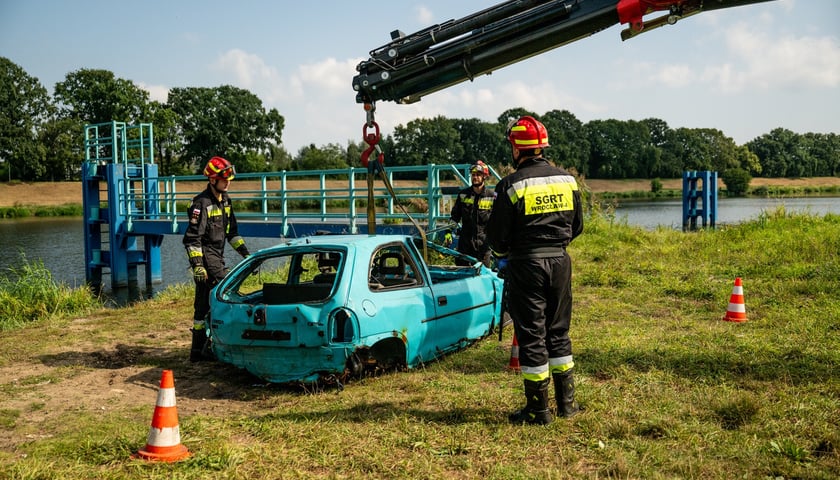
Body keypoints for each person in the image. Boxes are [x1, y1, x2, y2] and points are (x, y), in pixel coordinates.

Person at [486, 116, 584, 425]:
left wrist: (506, 255)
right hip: (560, 262)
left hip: (526, 265)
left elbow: (497, 239)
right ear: (542, 147)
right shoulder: (568, 180)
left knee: (531, 335)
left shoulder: (511, 185)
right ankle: (567, 405)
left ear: (516, 149)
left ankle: (538, 410)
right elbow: (577, 226)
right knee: (558, 332)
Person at [183, 156, 250, 362]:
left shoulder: (226, 201)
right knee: (226, 291)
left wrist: (247, 255)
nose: (228, 182)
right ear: (212, 180)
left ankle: (199, 351)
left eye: (229, 178)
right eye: (224, 179)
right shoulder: (201, 204)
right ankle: (220, 344)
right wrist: (197, 266)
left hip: (217, 256)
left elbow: (233, 234)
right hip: (205, 258)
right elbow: (192, 239)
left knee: (203, 305)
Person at [450, 160, 496, 267]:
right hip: (464, 246)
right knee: (461, 278)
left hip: (483, 246)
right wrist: (449, 231)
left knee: (483, 278)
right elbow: (455, 217)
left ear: (485, 176)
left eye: (478, 175)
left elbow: (498, 220)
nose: (475, 177)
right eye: (473, 174)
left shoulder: (493, 196)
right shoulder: (463, 195)